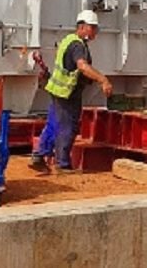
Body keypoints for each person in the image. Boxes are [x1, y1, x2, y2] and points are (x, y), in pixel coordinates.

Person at [42, 10, 113, 172]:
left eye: (96, 28)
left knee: (54, 124)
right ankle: (62, 164)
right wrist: (103, 79)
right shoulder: (77, 45)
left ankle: (39, 155)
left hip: (58, 90)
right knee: (67, 127)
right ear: (82, 27)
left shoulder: (69, 40)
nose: (95, 31)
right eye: (92, 27)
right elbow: (82, 66)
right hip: (67, 93)